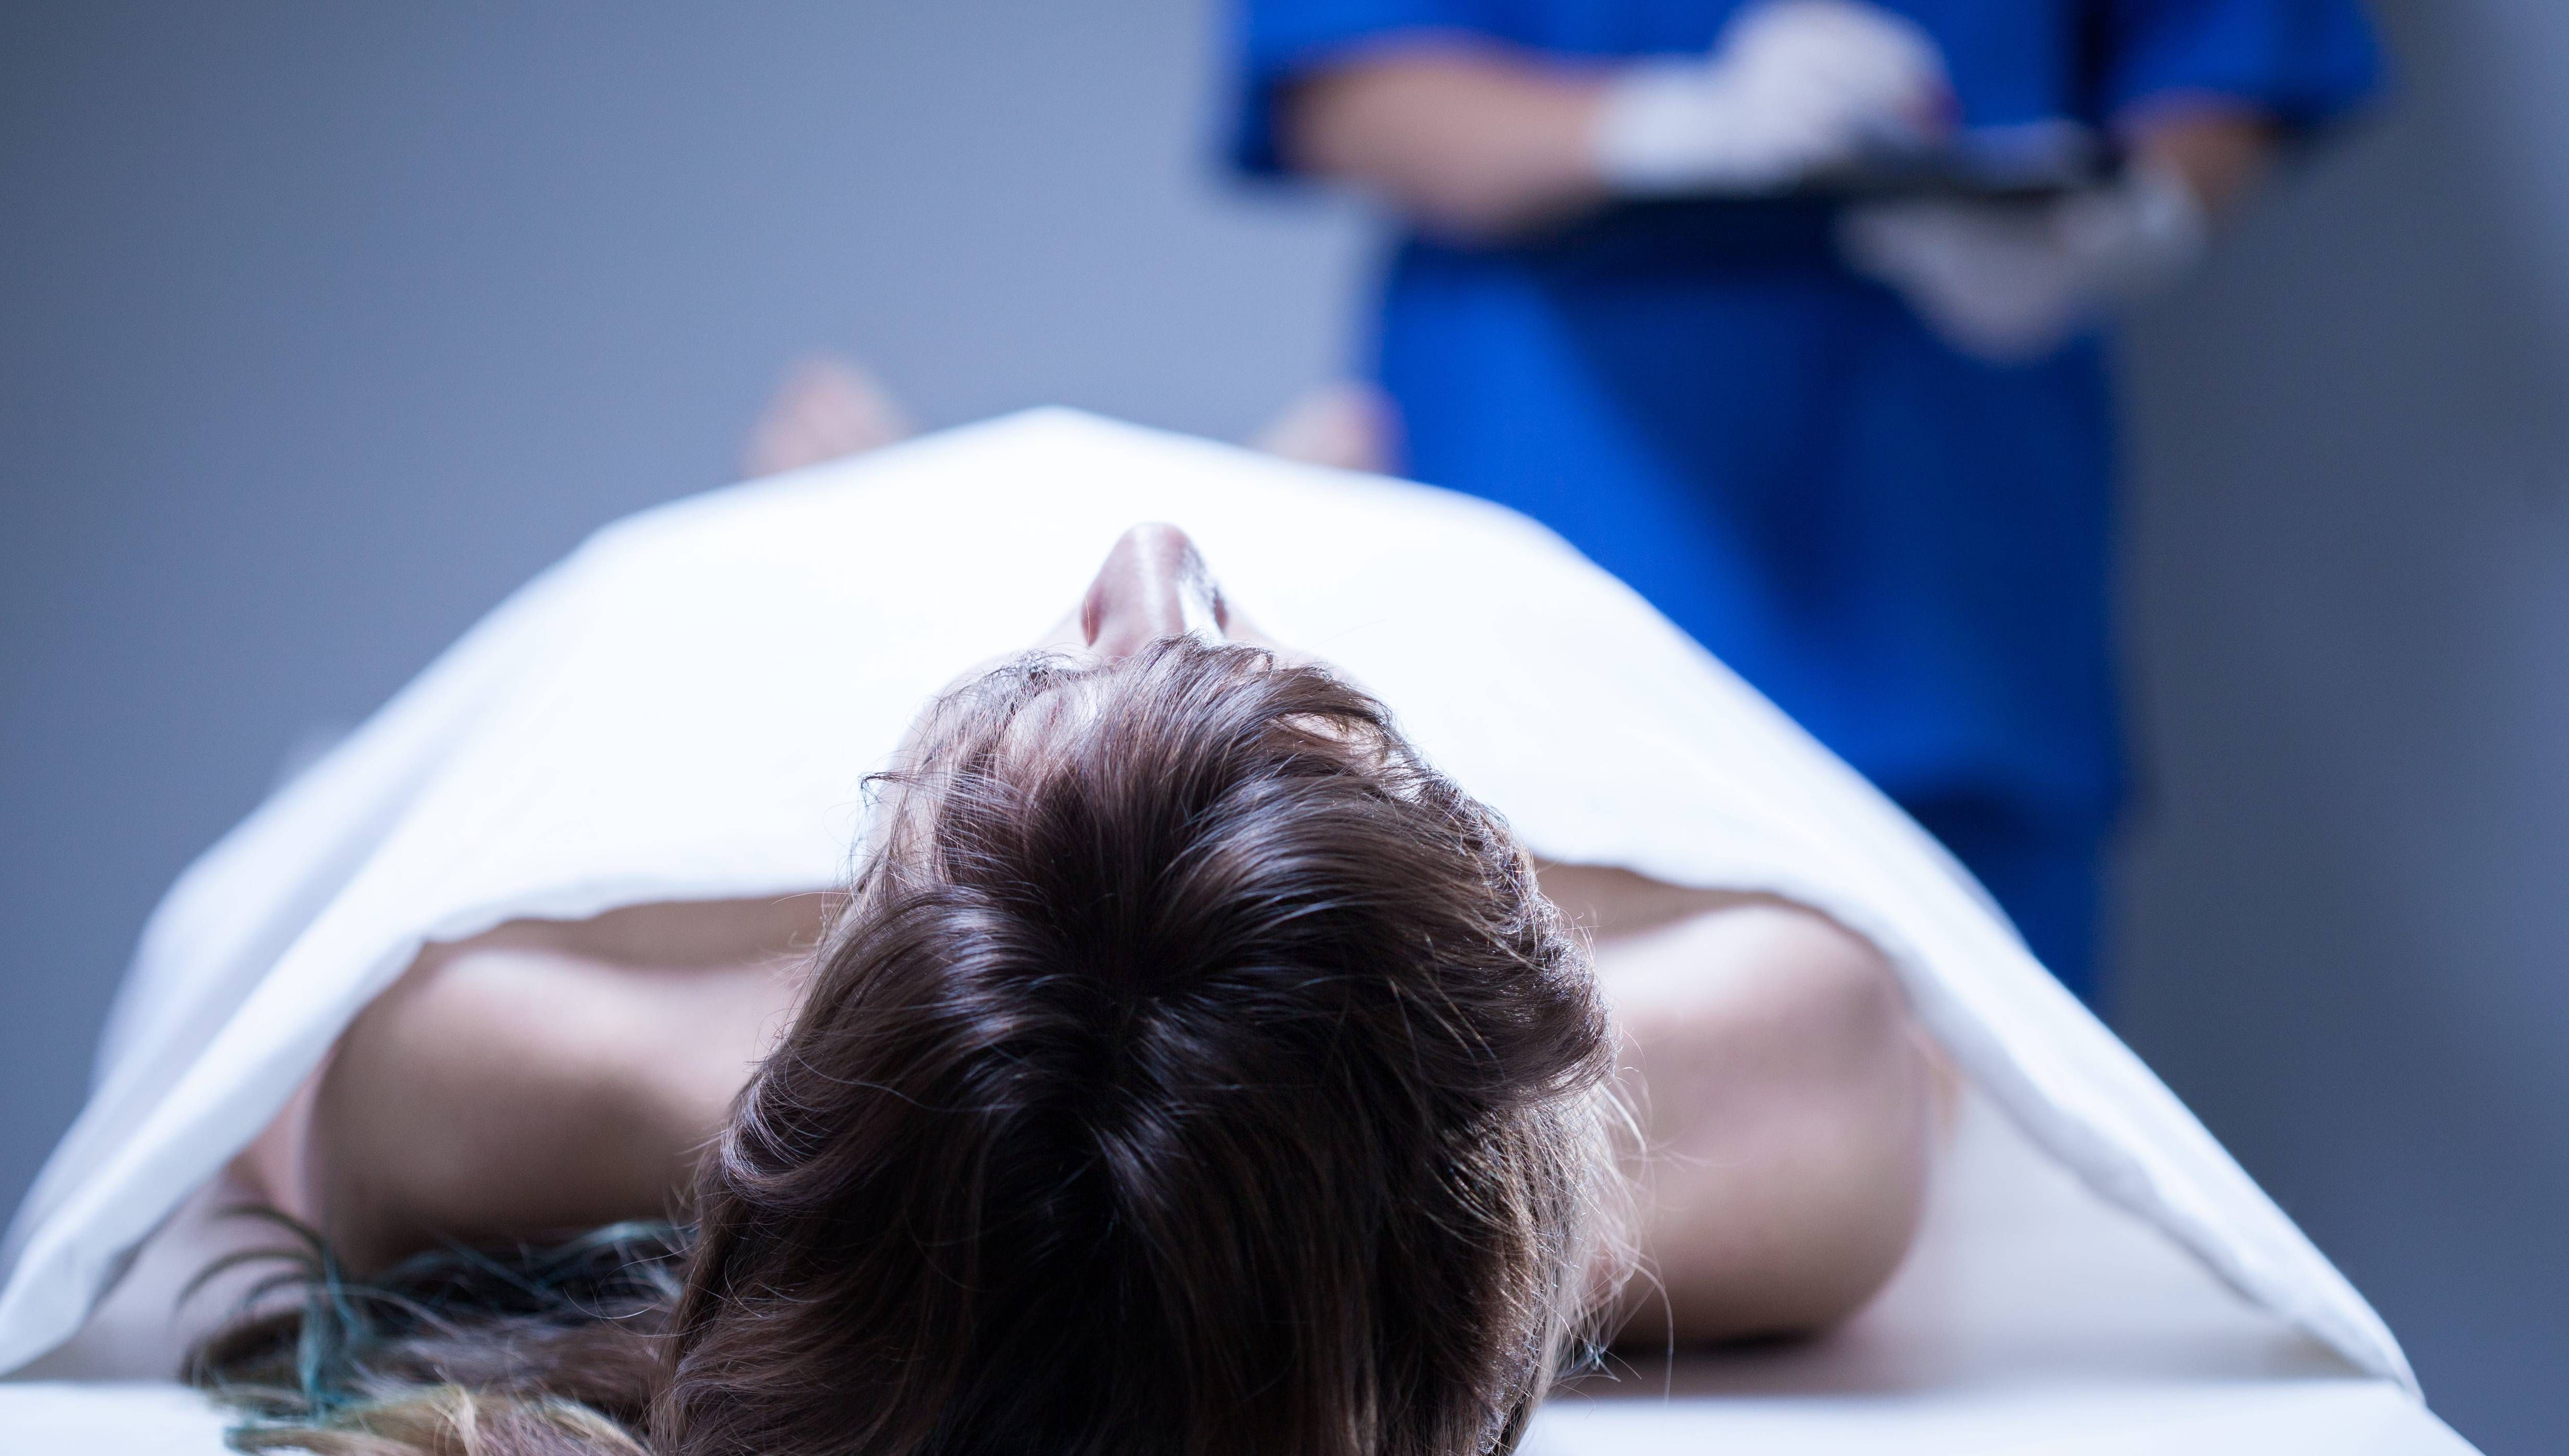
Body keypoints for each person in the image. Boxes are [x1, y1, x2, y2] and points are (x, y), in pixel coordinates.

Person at [164, 533, 1932, 1454]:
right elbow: (1855, 989)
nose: (1146, 556)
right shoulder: (1778, 1085)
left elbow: (276, 1047)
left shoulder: (504, 1066)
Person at [1226, 0, 2382, 1001]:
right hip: (1561, 493)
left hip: (1951, 549)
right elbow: (1341, 75)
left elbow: (2230, 49)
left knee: (1988, 1121)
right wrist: (1666, 126)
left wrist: (2125, 214)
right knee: (1527, 1094)